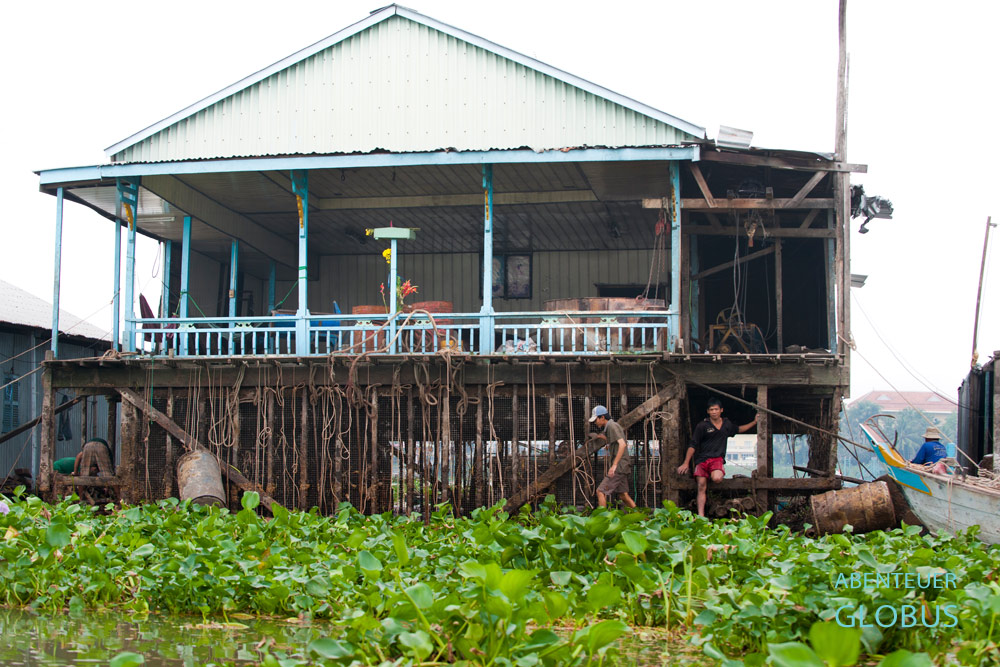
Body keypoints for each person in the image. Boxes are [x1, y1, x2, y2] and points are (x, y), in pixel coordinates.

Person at [677, 399, 758, 517]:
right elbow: (693, 445)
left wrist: (754, 422)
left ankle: (711, 474)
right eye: (711, 410)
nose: (714, 412)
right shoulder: (702, 426)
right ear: (708, 412)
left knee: (717, 478)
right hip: (702, 460)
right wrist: (685, 463)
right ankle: (701, 515)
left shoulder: (726, 425)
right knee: (701, 486)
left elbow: (739, 429)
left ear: (721, 410)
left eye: (716, 409)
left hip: (717, 460)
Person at [590, 405, 636, 509]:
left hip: (619, 466)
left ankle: (603, 521)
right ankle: (643, 519)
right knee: (623, 495)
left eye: (596, 419)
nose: (595, 422)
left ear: (602, 417)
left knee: (600, 491)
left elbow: (622, 444)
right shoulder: (609, 427)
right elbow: (615, 441)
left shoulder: (612, 426)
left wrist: (614, 465)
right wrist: (602, 437)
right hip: (623, 466)